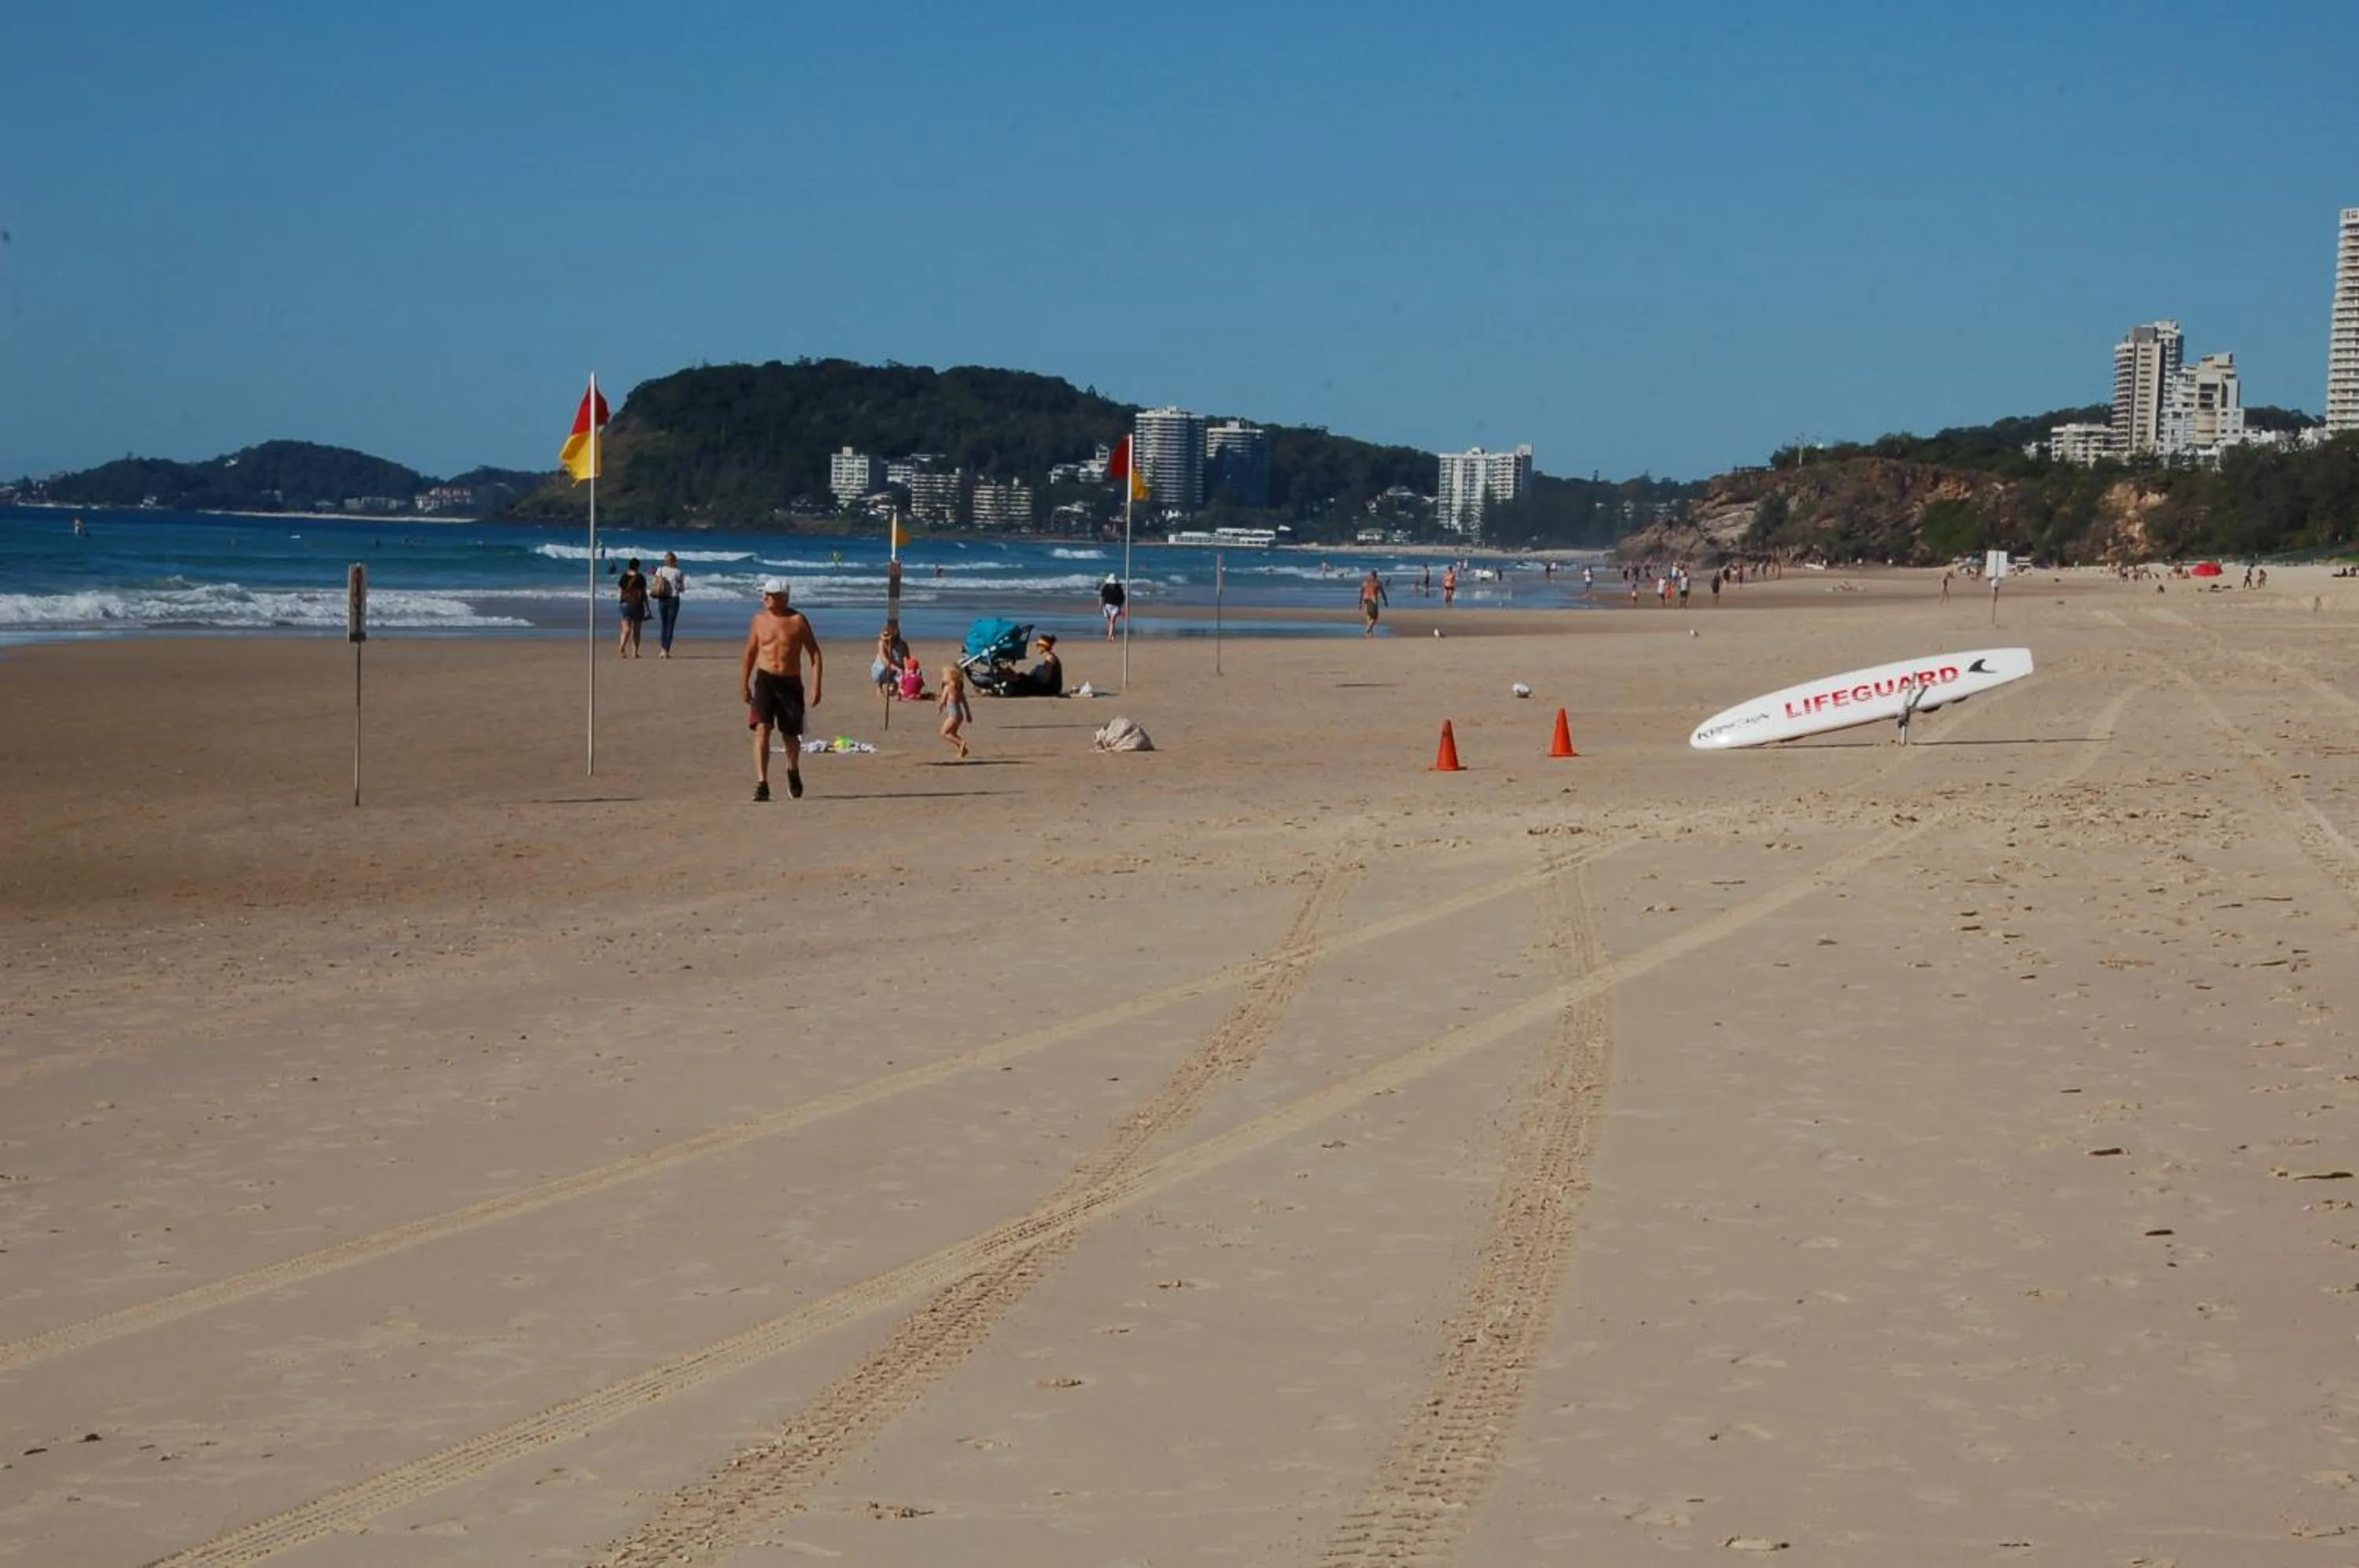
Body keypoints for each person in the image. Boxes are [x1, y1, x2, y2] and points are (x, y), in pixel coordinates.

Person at [742, 578, 822, 801]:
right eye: (765, 593)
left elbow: (814, 653)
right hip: (765, 679)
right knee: (762, 729)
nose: (765, 597)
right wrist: (744, 684)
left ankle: (792, 770)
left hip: (790, 682)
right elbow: (749, 653)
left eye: (771, 594)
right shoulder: (758, 620)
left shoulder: (798, 621)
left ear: (784, 597)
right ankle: (762, 783)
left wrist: (817, 686)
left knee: (790, 736)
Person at [650, 550, 686, 657]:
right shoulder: (678, 572)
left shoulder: (660, 570)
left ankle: (662, 649)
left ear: (665, 561)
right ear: (674, 561)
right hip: (673, 599)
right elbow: (682, 588)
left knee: (664, 624)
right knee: (670, 626)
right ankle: (666, 650)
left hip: (662, 598)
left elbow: (655, 584)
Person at [938, 661, 972, 759]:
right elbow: (964, 701)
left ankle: (961, 743)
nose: (943, 678)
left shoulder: (949, 687)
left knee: (944, 733)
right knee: (953, 733)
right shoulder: (958, 688)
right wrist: (968, 714)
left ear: (952, 676)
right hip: (959, 715)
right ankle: (962, 750)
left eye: (944, 675)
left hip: (953, 715)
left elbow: (943, 700)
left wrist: (940, 706)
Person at [616, 558, 650, 657]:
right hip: (637, 605)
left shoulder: (624, 577)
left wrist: (621, 603)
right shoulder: (641, 578)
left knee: (626, 629)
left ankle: (622, 646)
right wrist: (647, 606)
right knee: (637, 629)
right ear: (638, 566)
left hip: (625, 604)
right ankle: (635, 652)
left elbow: (621, 591)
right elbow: (644, 593)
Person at [1018, 632, 1063, 697]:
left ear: (1044, 646)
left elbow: (1045, 677)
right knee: (1023, 677)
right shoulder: (1050, 657)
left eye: (1038, 645)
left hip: (1051, 689)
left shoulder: (1050, 658)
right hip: (1051, 687)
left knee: (1022, 678)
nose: (1037, 647)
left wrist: (1035, 674)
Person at [872, 621, 909, 696]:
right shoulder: (882, 643)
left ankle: (896, 686)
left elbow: (906, 659)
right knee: (886, 667)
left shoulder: (903, 644)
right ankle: (881, 686)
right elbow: (885, 660)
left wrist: (908, 670)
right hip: (883, 670)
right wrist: (885, 640)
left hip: (898, 669)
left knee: (909, 673)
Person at [1360, 569, 1388, 636]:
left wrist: (1360, 602)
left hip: (1365, 599)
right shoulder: (1377, 582)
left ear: (1370, 575)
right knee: (1375, 617)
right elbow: (1382, 592)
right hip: (1373, 599)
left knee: (1369, 615)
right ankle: (1369, 629)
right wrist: (1385, 601)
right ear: (1376, 575)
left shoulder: (1365, 582)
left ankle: (1370, 631)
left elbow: (1361, 592)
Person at [1099, 574, 1127, 640]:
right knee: (1110, 622)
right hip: (1107, 606)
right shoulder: (1105, 587)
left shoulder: (1119, 588)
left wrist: (1122, 608)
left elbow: (1123, 598)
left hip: (1116, 606)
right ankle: (1113, 635)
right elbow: (1101, 597)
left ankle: (1109, 637)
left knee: (1112, 620)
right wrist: (1101, 605)